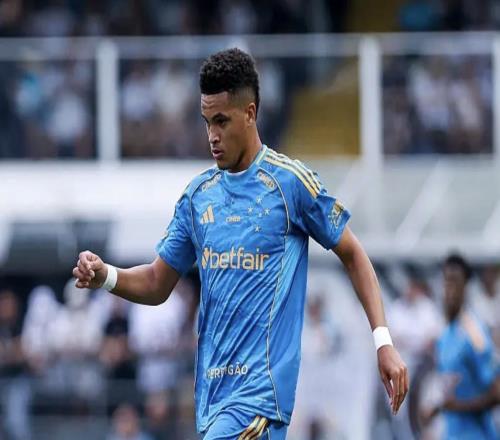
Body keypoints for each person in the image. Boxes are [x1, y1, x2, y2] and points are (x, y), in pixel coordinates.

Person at [73, 48, 408, 440]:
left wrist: (383, 342)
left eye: (221, 121)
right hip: (213, 402)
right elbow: (156, 283)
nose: (212, 136)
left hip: (259, 403)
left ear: (250, 114)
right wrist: (106, 276)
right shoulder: (198, 197)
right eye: (206, 123)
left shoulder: (289, 184)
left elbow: (353, 254)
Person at [425, 254, 499, 439]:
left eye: (455, 282)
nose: (449, 289)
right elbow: (451, 389)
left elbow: (496, 393)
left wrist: (457, 407)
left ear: (465, 286)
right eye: (446, 281)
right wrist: (435, 410)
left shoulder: (475, 334)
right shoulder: (445, 334)